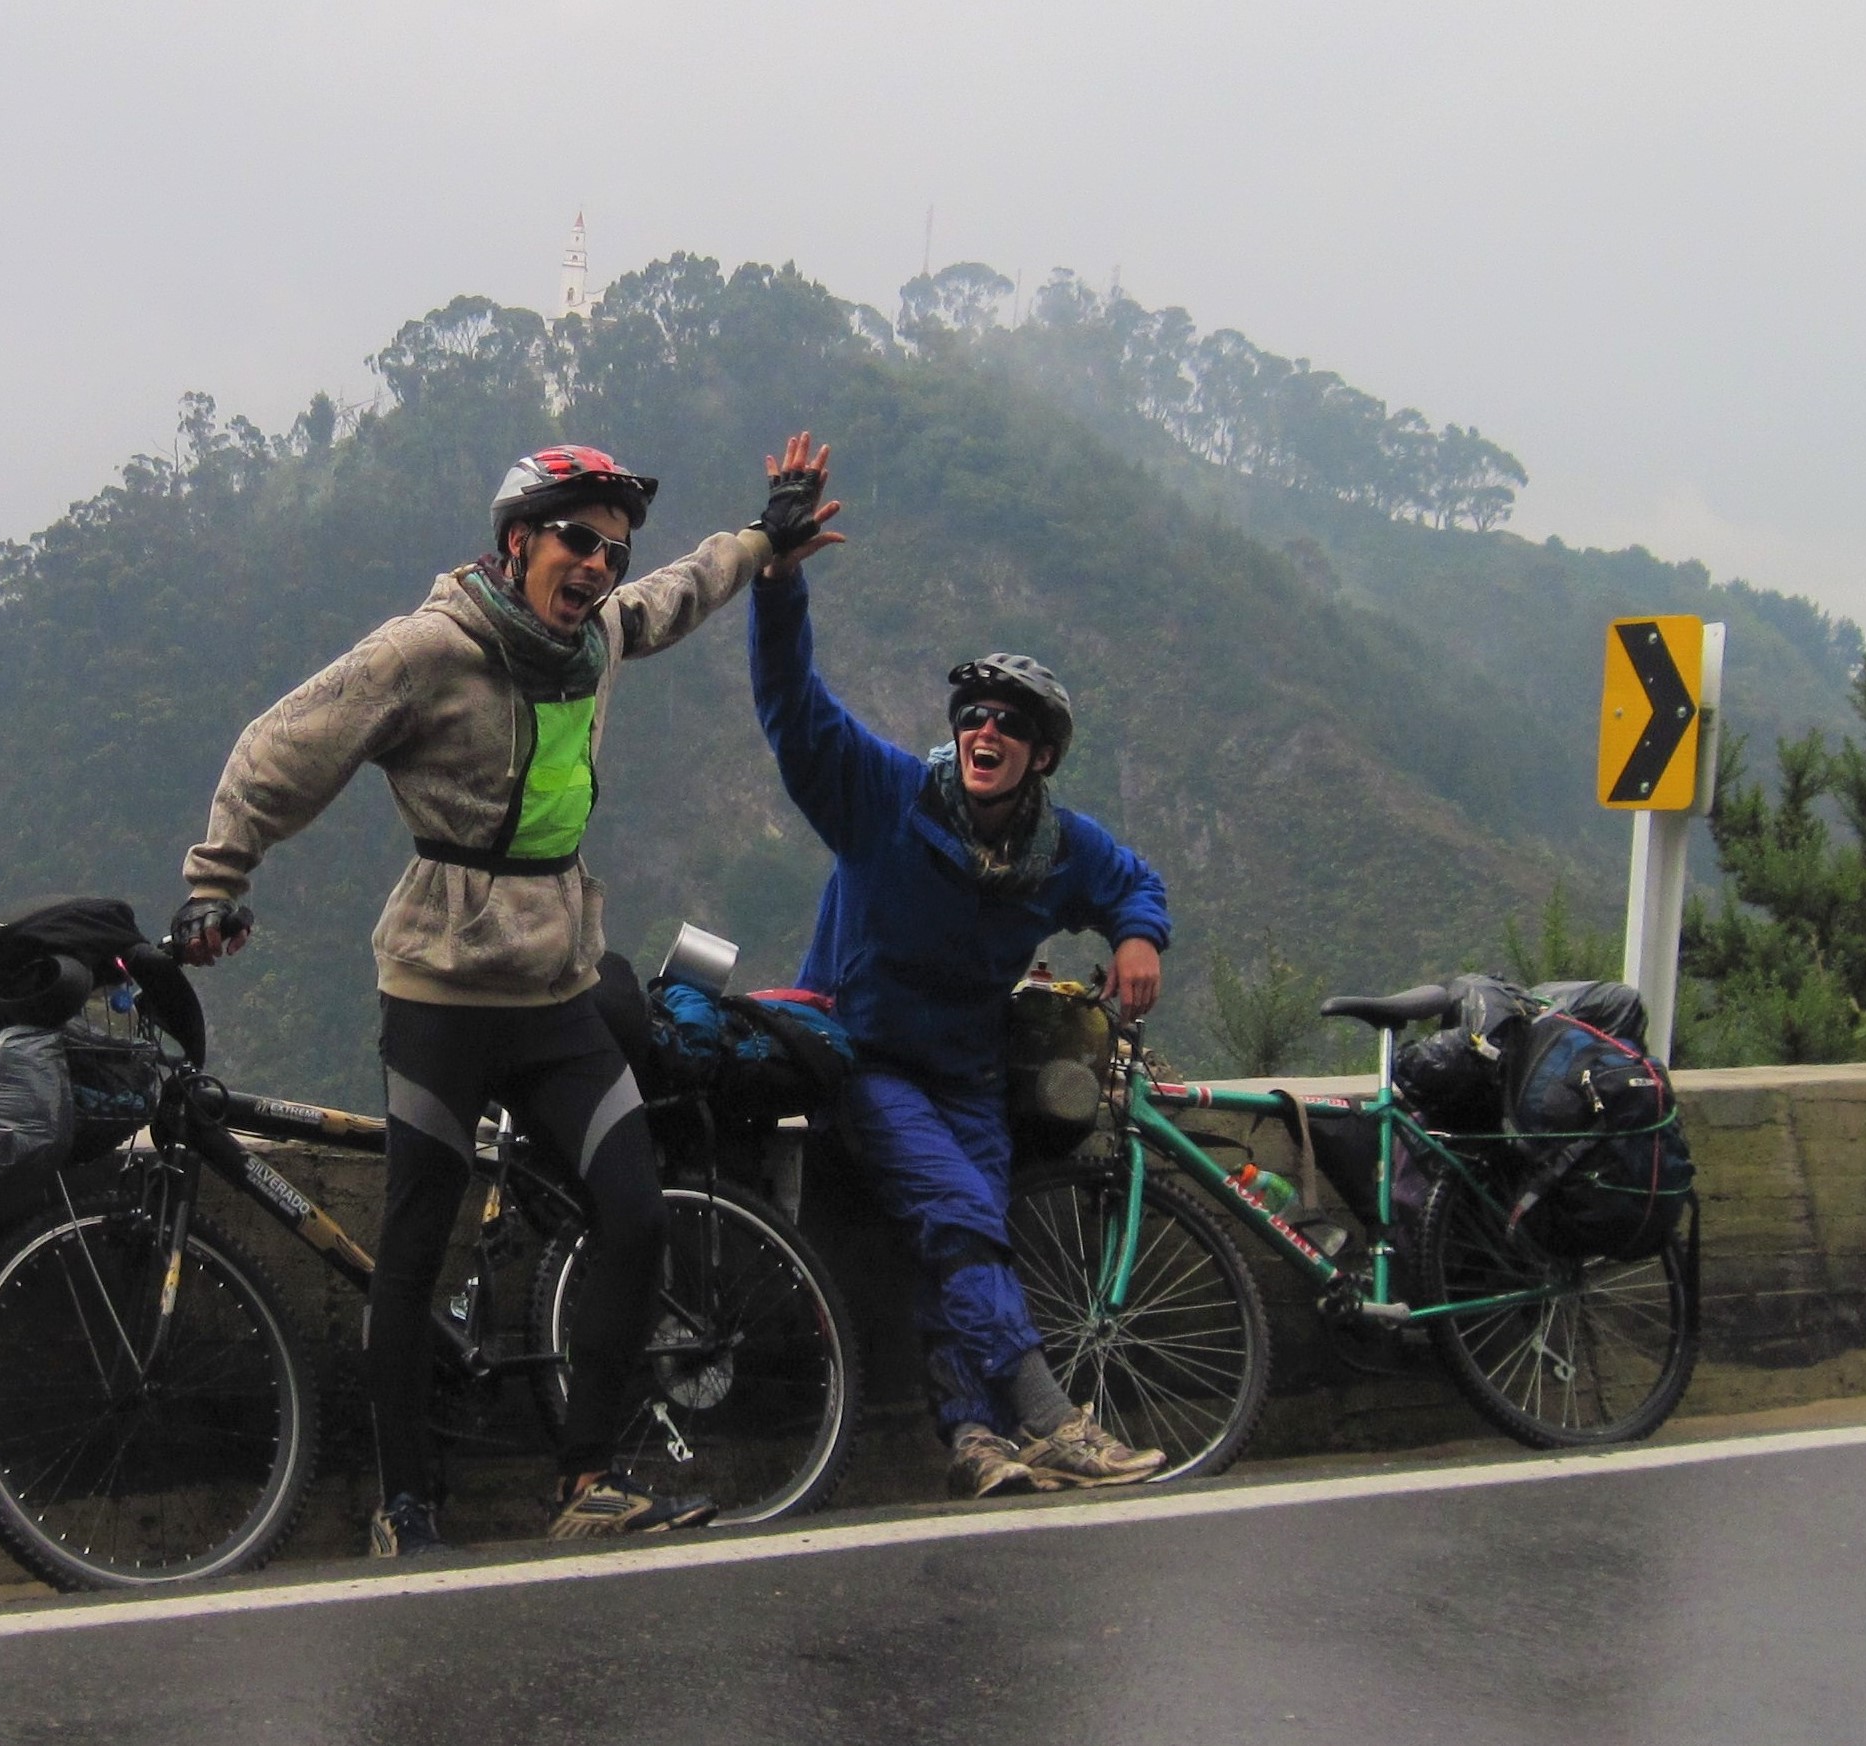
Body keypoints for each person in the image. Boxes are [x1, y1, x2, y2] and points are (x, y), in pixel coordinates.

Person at [175, 434, 844, 1553]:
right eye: (576, 542)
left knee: (634, 1212)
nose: (597, 566)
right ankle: (406, 1508)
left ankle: (588, 1481)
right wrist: (216, 877)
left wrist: (762, 541)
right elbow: (282, 745)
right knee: (416, 1245)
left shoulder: (602, 638)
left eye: (610, 550)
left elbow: (681, 592)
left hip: (557, 985)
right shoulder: (430, 650)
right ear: (518, 541)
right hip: (440, 989)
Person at [747, 462, 1171, 1499]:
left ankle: (974, 1440)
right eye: (975, 714)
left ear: (1040, 756)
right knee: (958, 1218)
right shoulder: (888, 798)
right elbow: (796, 713)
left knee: (965, 1240)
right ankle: (1052, 1420)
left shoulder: (1060, 848)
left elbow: (1131, 885)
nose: (988, 732)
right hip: (865, 1058)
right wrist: (778, 578)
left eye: (1012, 725)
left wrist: (1137, 935)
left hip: (969, 1075)